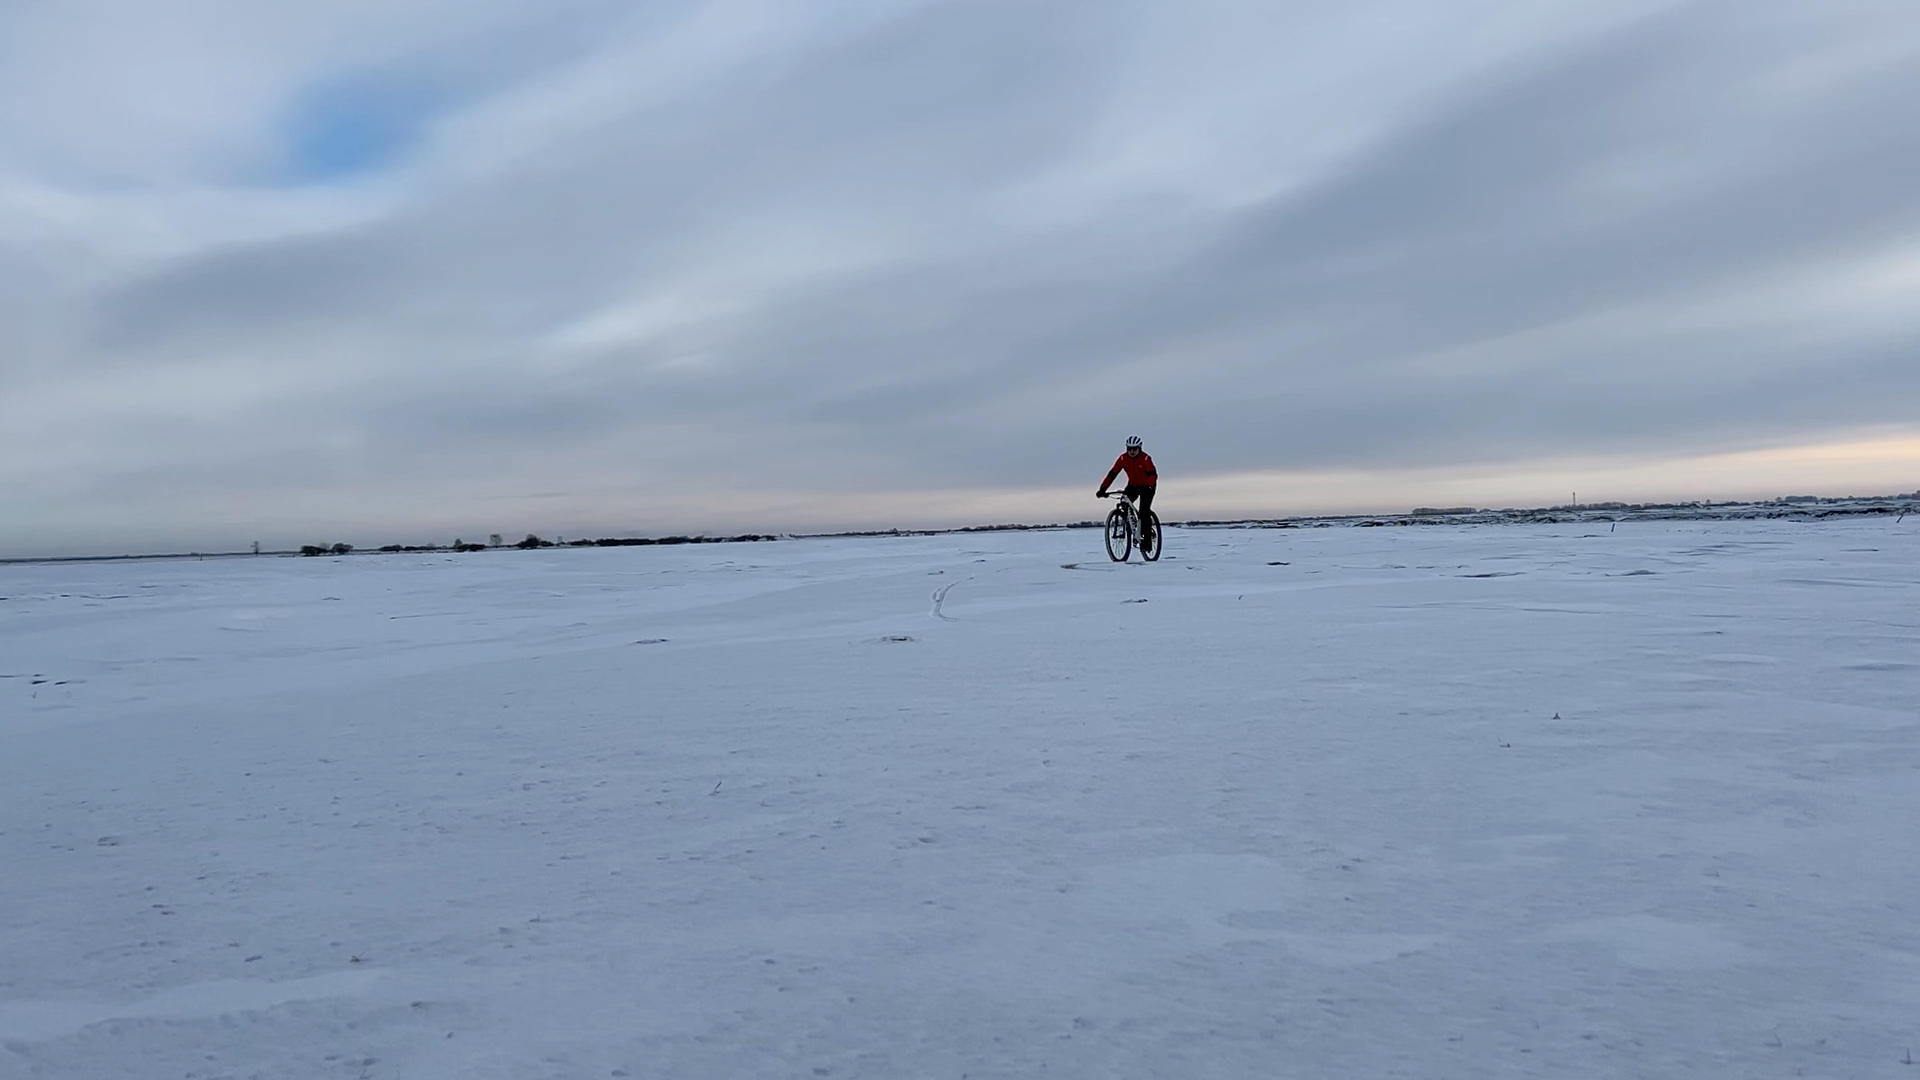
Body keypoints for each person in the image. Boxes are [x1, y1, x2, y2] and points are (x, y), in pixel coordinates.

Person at [1096, 435, 1158, 549]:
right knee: (1124, 502)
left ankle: (1147, 541)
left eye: (1134, 449)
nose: (1132, 451)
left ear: (1139, 448)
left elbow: (1152, 474)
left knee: (1144, 511)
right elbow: (1112, 474)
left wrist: (1149, 485)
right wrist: (1102, 489)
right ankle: (1130, 526)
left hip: (1148, 486)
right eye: (1129, 448)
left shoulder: (1145, 458)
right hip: (1133, 485)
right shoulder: (1123, 459)